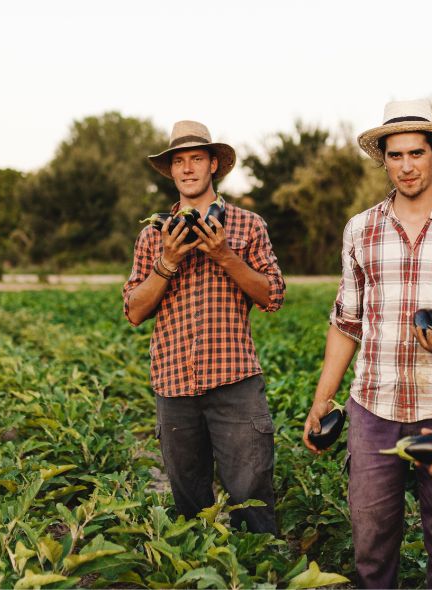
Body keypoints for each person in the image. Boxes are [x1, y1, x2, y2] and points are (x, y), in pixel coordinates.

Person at [302, 99, 432, 588]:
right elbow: (346, 322)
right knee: (372, 550)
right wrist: (321, 399)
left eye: (416, 153)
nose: (406, 166)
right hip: (374, 409)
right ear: (384, 159)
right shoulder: (362, 229)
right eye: (395, 156)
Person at [123, 120, 285, 533]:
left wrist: (225, 256)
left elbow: (272, 297)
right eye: (179, 161)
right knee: (189, 509)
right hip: (174, 386)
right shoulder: (153, 236)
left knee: (253, 503)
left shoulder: (248, 225)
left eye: (197, 158)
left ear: (214, 164)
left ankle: (260, 576)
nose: (188, 168)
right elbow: (135, 311)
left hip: (236, 383)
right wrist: (169, 261)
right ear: (171, 171)